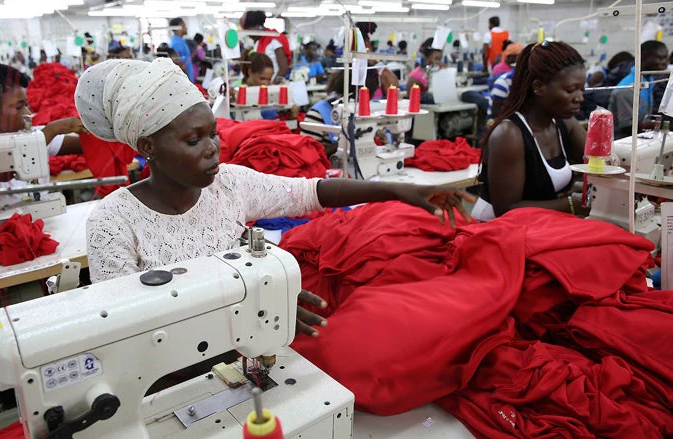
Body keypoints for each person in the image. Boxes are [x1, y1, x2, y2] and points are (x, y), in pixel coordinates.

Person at [77, 59, 473, 336]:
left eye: (213, 134)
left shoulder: (228, 185)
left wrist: (396, 189)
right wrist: (251, 309)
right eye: (194, 140)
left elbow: (309, 193)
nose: (214, 148)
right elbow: (127, 328)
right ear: (149, 146)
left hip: (242, 347)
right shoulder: (113, 223)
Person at [472, 41, 588, 222]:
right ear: (538, 87)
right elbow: (507, 210)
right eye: (570, 90)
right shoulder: (508, 135)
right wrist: (572, 203)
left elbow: (600, 165)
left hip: (539, 226)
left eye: (582, 89)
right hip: (494, 230)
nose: (580, 98)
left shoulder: (565, 123)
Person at [0, 63, 86, 200]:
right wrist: (54, 129)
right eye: (19, 107)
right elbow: (6, 170)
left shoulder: (33, 134)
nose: (28, 113)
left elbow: (84, 145)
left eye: (26, 105)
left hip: (39, 217)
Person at [611, 40, 669, 136]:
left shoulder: (649, 80)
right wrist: (661, 124)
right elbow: (628, 128)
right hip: (622, 143)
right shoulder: (627, 89)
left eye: (666, 58)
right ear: (643, 58)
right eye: (660, 58)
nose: (665, 63)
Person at [240, 10, 292, 84]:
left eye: (250, 31)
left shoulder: (274, 40)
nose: (249, 35)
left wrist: (271, 85)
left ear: (258, 27)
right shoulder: (257, 43)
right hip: (263, 85)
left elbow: (283, 68)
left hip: (274, 85)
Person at [169, 17, 194, 82]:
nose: (186, 28)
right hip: (184, 81)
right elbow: (178, 65)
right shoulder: (177, 44)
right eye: (184, 25)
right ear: (179, 28)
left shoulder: (181, 41)